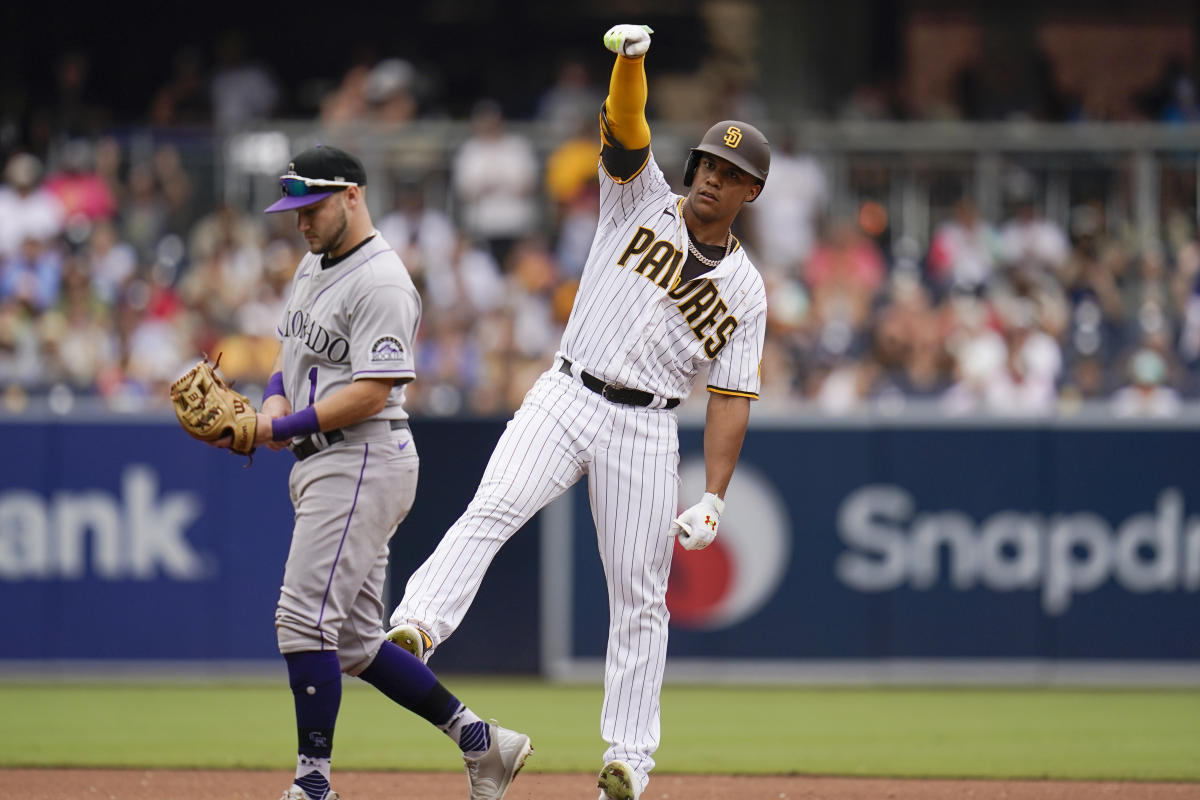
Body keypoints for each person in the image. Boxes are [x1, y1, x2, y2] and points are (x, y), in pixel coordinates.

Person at [387, 24, 769, 800]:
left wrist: (716, 497)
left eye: (729, 173)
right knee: (491, 506)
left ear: (749, 192)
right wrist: (629, 65)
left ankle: (628, 759)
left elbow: (732, 397)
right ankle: (418, 627)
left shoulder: (746, 289)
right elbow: (627, 130)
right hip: (567, 391)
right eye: (706, 163)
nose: (710, 178)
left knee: (638, 595)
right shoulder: (639, 199)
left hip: (646, 426)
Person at [242, 145, 531, 800]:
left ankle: (312, 784)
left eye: (311, 208)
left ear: (352, 196)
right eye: (294, 210)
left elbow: (374, 390)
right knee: (352, 641)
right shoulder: (313, 265)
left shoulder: (383, 280)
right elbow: (286, 358)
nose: (301, 222)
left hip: (363, 453)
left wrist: (277, 428)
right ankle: (484, 743)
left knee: (301, 622)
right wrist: (273, 404)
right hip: (329, 459)